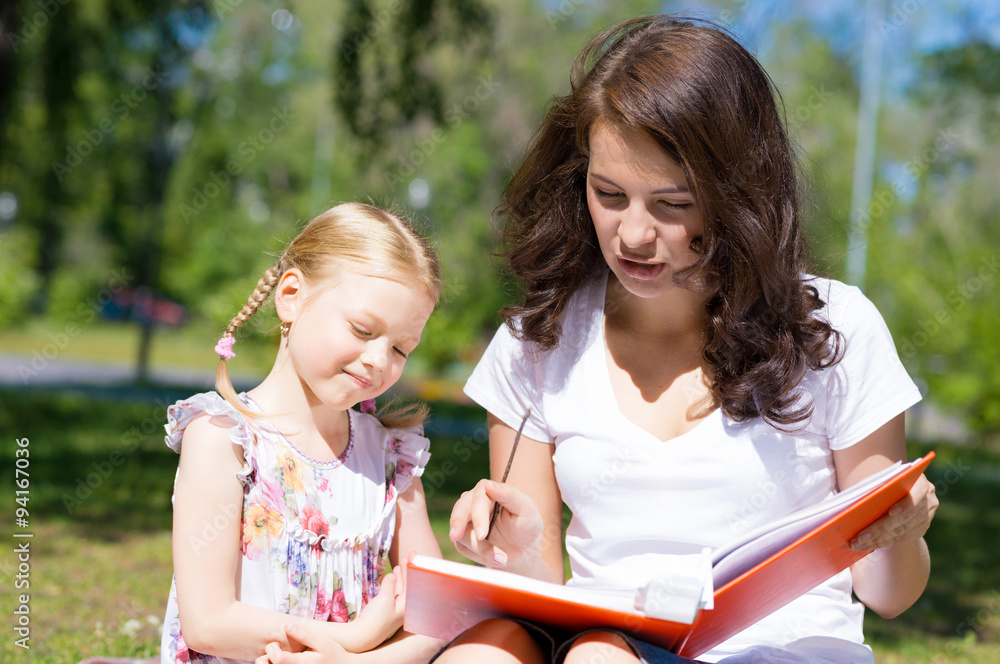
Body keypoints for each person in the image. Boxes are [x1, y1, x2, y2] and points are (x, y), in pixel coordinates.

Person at [438, 14, 938, 664]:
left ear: (738, 195)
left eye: (672, 204)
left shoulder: (834, 329)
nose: (634, 235)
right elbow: (540, 599)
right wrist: (517, 550)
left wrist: (901, 530)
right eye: (609, 194)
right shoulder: (537, 340)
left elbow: (889, 594)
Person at [159, 202, 445, 664]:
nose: (378, 359)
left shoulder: (393, 460)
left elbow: (437, 611)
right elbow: (208, 623)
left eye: (400, 348)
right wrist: (352, 637)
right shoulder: (224, 439)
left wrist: (351, 662)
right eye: (361, 329)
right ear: (290, 295)